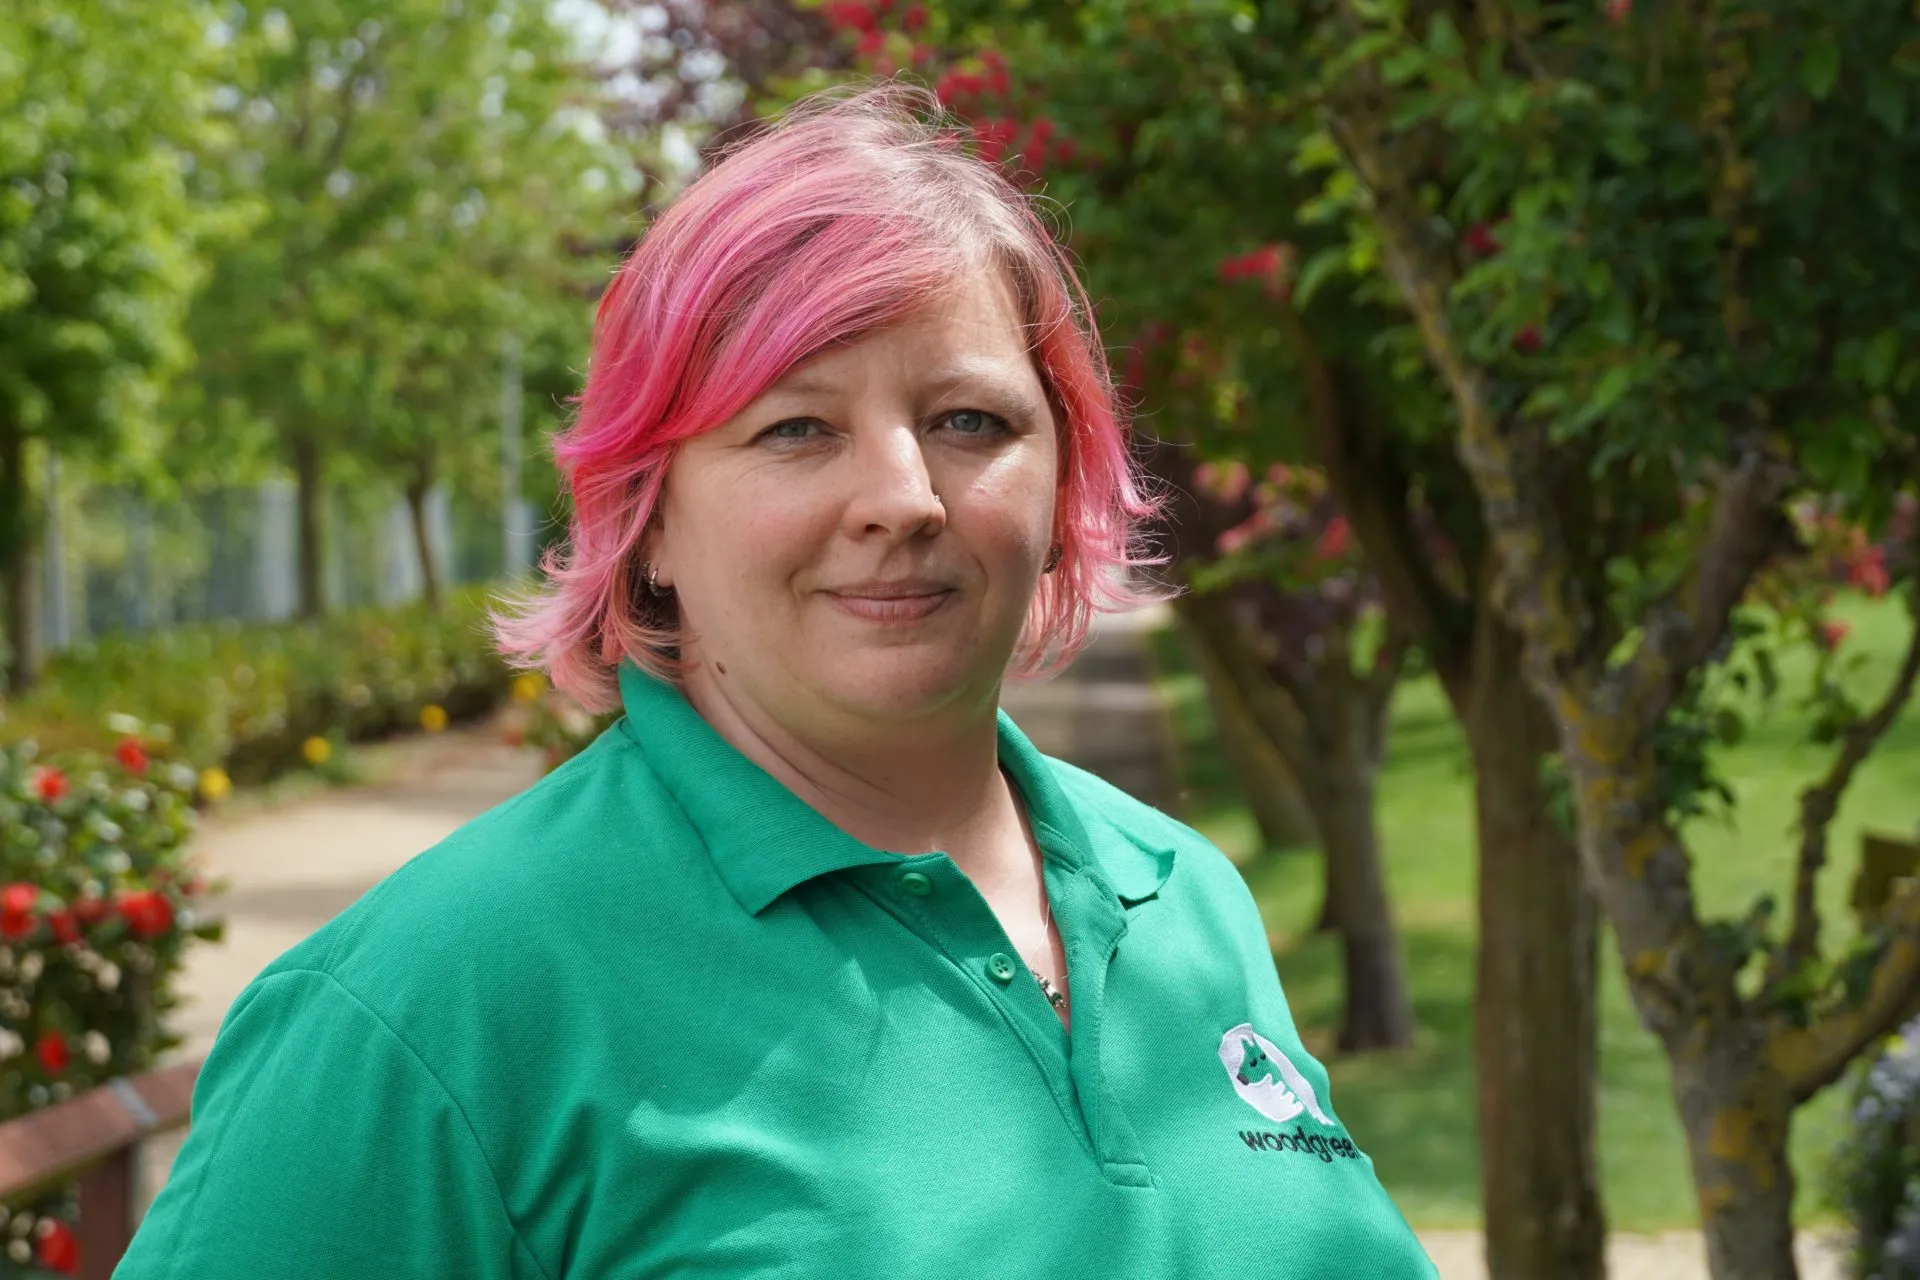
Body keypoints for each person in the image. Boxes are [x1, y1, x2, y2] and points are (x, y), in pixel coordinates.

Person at [116, 84, 1436, 1279]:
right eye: (795, 429)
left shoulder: (1182, 901)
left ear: (1064, 473)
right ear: (653, 519)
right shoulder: (433, 1004)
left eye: (969, 421)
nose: (904, 497)